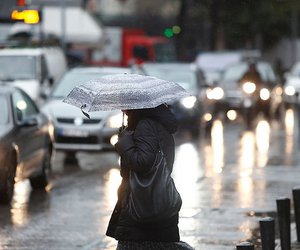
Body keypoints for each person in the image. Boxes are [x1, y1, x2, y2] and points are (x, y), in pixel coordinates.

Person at [106, 104, 194, 250]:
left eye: (126, 106)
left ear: (137, 106)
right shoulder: (156, 124)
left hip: (141, 206)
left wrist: (124, 144)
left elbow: (143, 163)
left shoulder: (145, 125)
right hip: (157, 203)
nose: (123, 110)